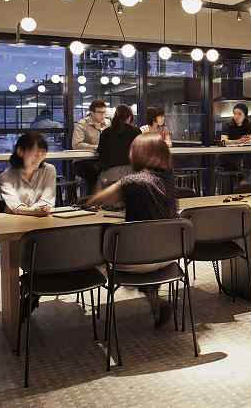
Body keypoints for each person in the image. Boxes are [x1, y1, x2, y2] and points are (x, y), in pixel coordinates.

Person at [87, 133, 182, 326]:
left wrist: (105, 183)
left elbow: (95, 201)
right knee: (146, 246)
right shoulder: (169, 180)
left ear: (141, 154)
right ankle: (155, 301)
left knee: (95, 247)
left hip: (134, 259)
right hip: (167, 256)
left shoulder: (131, 182)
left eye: (133, 150)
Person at [0, 131, 56, 217]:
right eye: (35, 152)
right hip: (14, 220)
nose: (39, 157)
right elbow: (15, 206)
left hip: (41, 220)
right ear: (20, 151)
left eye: (43, 152)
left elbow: (47, 201)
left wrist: (37, 210)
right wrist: (35, 211)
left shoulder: (49, 170)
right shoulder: (5, 177)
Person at [96, 104, 141, 190]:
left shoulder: (105, 132)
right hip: (131, 174)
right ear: (129, 117)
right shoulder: (136, 131)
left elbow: (100, 153)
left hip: (110, 175)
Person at [72, 99, 110, 195]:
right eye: (99, 112)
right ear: (92, 113)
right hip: (83, 160)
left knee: (116, 169)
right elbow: (76, 144)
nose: (103, 115)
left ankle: (106, 200)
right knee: (93, 173)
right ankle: (91, 200)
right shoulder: (82, 124)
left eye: (104, 112)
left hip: (101, 159)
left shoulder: (108, 123)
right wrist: (96, 147)